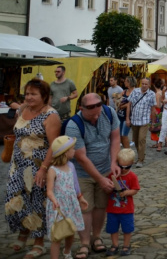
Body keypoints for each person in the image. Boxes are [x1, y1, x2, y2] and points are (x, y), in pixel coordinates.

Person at [5, 79, 60, 258]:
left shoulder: (50, 115)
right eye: (27, 93)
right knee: (15, 201)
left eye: (33, 94)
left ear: (44, 96)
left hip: (37, 167)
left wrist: (44, 169)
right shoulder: (23, 110)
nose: (28, 97)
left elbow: (54, 145)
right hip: (17, 165)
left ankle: (38, 242)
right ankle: (23, 231)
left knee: (36, 203)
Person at [68, 92, 121, 259]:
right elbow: (81, 157)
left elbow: (115, 138)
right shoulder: (74, 125)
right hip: (82, 173)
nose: (96, 116)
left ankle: (96, 237)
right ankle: (84, 243)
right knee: (85, 207)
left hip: (105, 168)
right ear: (82, 108)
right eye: (92, 113)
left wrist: (114, 163)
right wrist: (100, 179)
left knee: (100, 206)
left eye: (98, 110)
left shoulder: (109, 113)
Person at [45, 135, 88, 259]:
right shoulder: (52, 170)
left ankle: (67, 252)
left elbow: (75, 184)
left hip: (71, 204)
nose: (74, 151)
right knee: (57, 235)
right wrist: (53, 200)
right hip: (58, 206)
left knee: (70, 230)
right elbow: (49, 191)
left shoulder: (71, 166)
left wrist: (80, 198)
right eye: (72, 149)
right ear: (65, 152)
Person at [105, 148, 139, 256]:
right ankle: (114, 245)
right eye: (121, 166)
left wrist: (127, 192)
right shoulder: (112, 174)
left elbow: (136, 189)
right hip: (112, 208)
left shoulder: (132, 176)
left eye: (127, 167)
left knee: (127, 229)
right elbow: (106, 187)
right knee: (112, 228)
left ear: (132, 164)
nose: (123, 170)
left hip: (126, 209)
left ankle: (126, 245)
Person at [125, 78, 157, 168]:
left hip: (144, 120)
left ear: (149, 85)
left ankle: (140, 159)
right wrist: (127, 118)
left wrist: (153, 122)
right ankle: (141, 155)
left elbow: (153, 109)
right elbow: (129, 105)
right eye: (142, 83)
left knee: (141, 139)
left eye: (145, 84)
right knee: (135, 140)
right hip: (134, 119)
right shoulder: (135, 91)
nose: (143, 85)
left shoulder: (152, 94)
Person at [117, 77, 135, 151]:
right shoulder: (124, 92)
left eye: (126, 81)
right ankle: (125, 151)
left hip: (127, 116)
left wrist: (122, 105)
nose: (124, 82)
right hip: (120, 115)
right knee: (120, 135)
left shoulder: (135, 92)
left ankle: (128, 152)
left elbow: (131, 104)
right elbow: (118, 100)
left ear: (129, 82)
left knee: (124, 135)